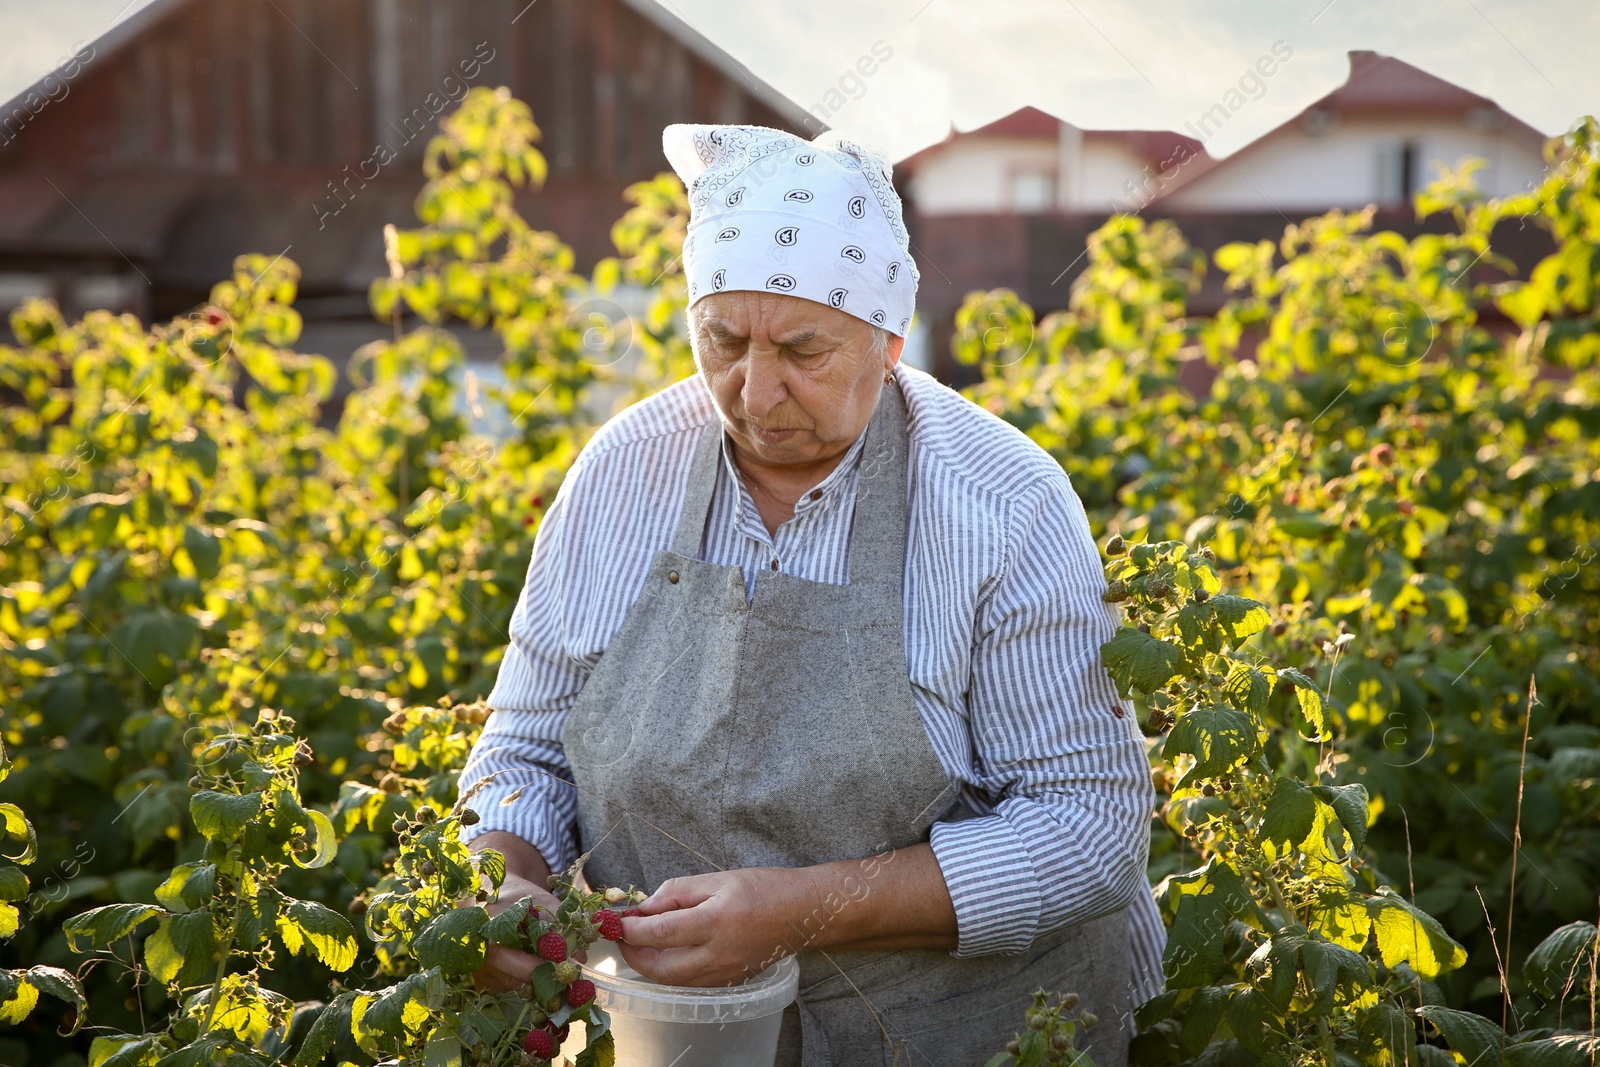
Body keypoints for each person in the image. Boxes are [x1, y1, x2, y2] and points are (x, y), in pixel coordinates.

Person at [459, 122, 1165, 1065]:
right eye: (722, 340)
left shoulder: (1000, 503)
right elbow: (527, 746)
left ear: (889, 339)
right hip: (684, 1033)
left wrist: (804, 910)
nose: (754, 393)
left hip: (964, 1031)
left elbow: (1088, 830)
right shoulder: (623, 474)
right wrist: (503, 872)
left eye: (802, 349)